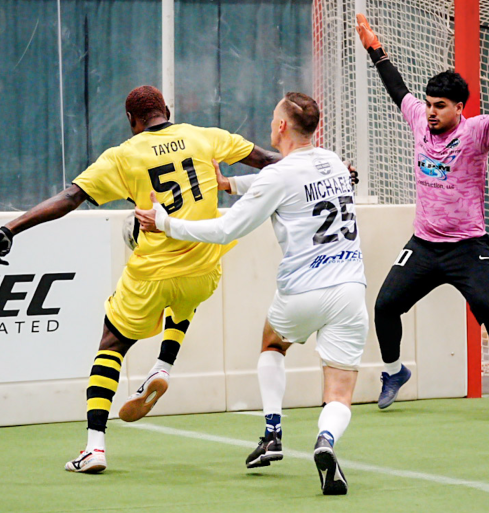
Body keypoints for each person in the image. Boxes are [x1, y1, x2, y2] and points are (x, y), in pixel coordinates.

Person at [0, 85, 281, 473]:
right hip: (203, 269)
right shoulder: (204, 136)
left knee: (111, 343)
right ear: (166, 110)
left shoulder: (123, 156)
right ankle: (163, 367)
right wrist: (333, 168)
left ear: (131, 120)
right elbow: (271, 161)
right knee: (185, 298)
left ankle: (94, 447)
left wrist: (11, 228)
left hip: (152, 274)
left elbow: (70, 198)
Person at [135, 92, 368, 495]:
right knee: (339, 389)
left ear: (282, 126)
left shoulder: (280, 175)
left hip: (302, 290)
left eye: (274, 116)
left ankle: (273, 433)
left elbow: (226, 229)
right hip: (350, 289)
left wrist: (166, 224)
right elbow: (281, 182)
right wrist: (229, 183)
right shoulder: (333, 162)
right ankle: (326, 440)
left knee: (272, 344)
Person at [355, 14, 489, 411]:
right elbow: (397, 88)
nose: (430, 112)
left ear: (460, 108)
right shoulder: (419, 121)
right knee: (385, 306)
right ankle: (394, 372)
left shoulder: (474, 132)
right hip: (424, 245)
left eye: (440, 106)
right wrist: (375, 49)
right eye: (428, 104)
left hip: (467, 247)